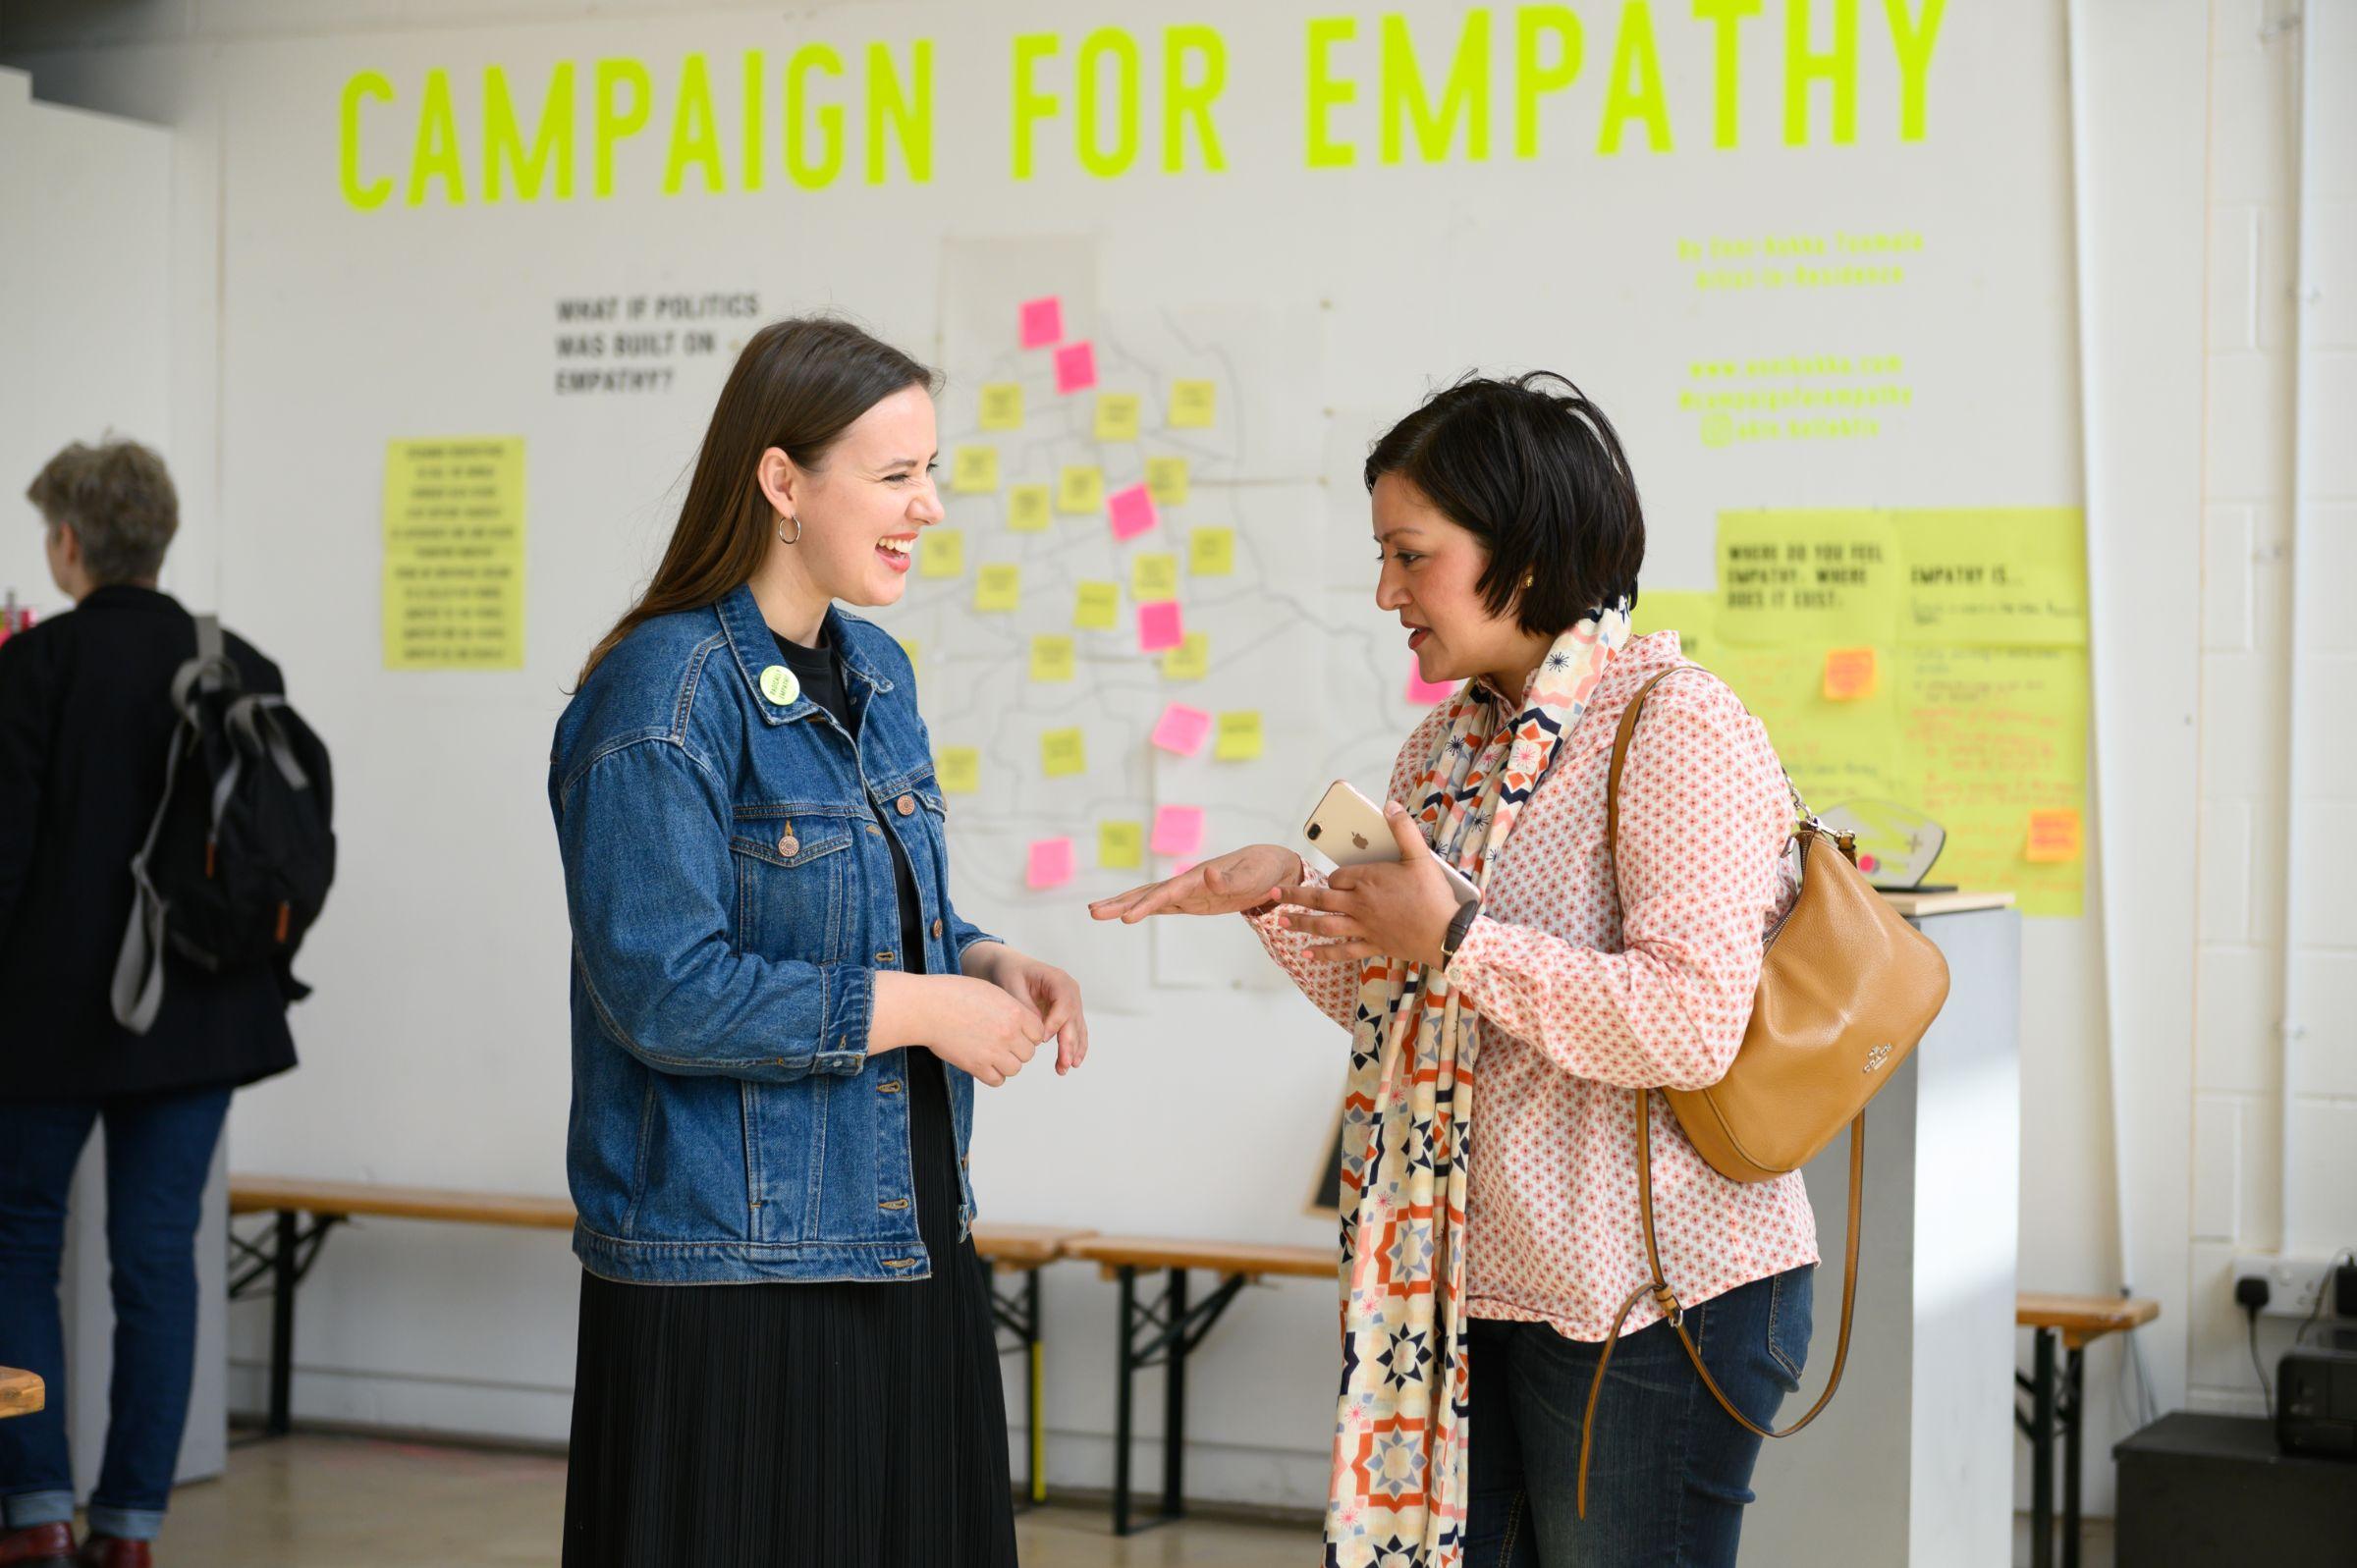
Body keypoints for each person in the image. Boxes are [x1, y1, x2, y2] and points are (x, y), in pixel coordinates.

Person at [1090, 373, 1816, 1568]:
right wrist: (1283, 895)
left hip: (1656, 1299)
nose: (1385, 593)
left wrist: (1460, 939)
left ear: (1522, 550)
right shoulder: (1445, 746)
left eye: (1409, 555)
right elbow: (1407, 1015)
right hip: (1467, 1289)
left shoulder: (1674, 722)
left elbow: (1692, 1025)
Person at [552, 316, 1087, 1567]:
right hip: (732, 1284)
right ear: (783, 482)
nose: (931, 507)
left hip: (903, 1245)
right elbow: (665, 993)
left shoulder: (878, 671)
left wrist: (980, 962)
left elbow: (873, 915)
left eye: (931, 471)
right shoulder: (663, 690)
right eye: (897, 476)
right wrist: (917, 1008)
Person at [0, 440, 301, 1568]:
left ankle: (32, 1511)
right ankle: (130, 1531)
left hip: (39, 1026)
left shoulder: (32, 670)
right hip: (202, 1013)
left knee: (18, 1254)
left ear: (70, 542)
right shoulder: (241, 663)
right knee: (157, 1261)